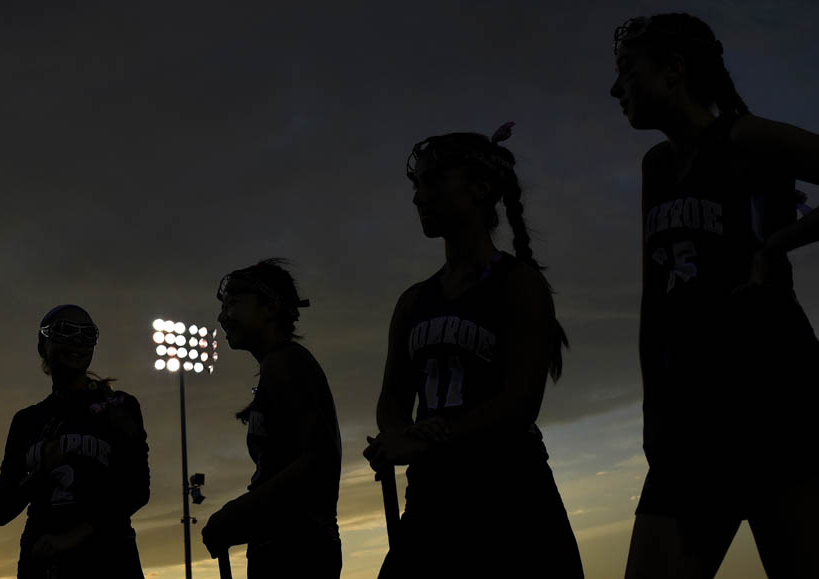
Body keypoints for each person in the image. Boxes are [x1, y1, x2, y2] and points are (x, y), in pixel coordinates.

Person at [612, 12, 819, 578]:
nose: (616, 88)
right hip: (689, 406)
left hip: (779, 392)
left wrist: (784, 239)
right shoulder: (657, 165)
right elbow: (654, 298)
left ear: (674, 71)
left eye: (626, 71)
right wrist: (651, 405)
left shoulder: (744, 136)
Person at [365, 125, 584, 578]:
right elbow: (391, 400)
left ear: (481, 189)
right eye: (415, 185)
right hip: (433, 500)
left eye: (431, 182)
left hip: (511, 499)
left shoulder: (519, 284)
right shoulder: (413, 301)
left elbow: (520, 403)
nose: (417, 198)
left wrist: (433, 436)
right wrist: (397, 434)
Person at [202, 259, 342, 579]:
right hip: (285, 545)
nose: (223, 316)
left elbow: (318, 459)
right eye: (223, 305)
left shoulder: (286, 363)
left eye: (234, 302)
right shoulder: (276, 366)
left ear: (270, 308)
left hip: (298, 550)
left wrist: (238, 513)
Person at [0, 304, 149, 579]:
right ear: (43, 346)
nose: (77, 341)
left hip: (109, 560)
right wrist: (41, 473)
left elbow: (136, 490)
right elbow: (1, 510)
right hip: (42, 562)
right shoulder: (27, 421)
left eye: (87, 334)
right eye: (65, 331)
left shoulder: (118, 406)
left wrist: (74, 536)